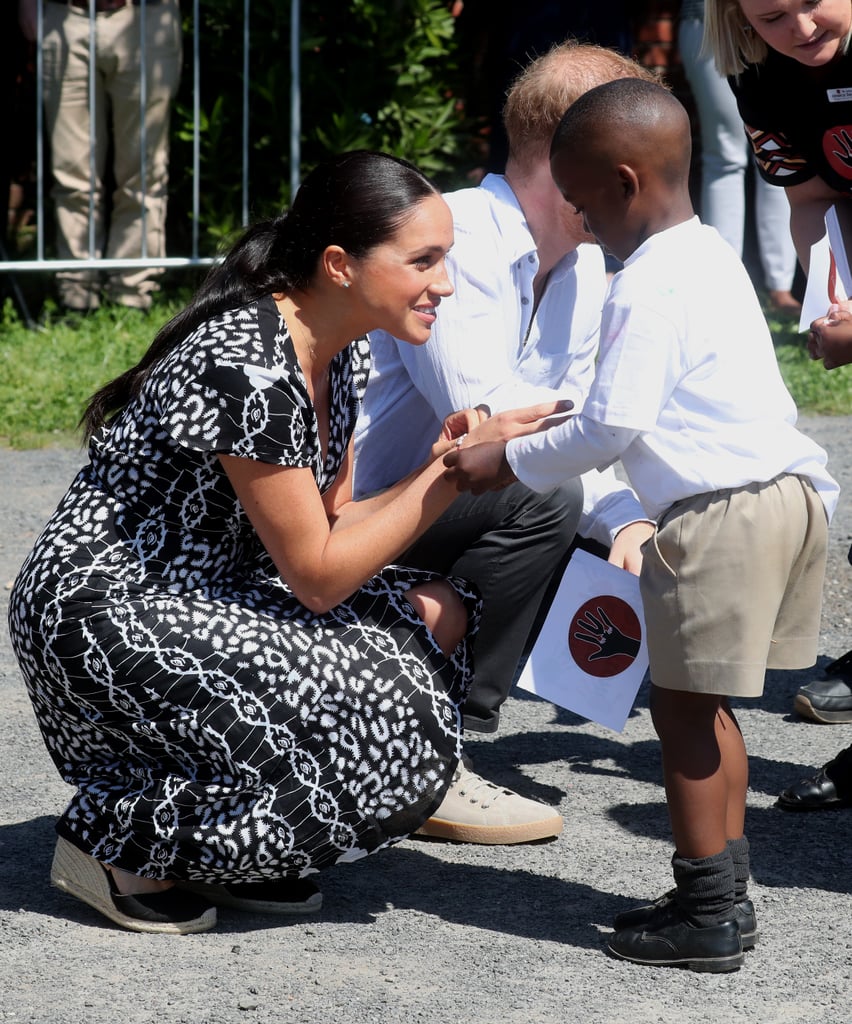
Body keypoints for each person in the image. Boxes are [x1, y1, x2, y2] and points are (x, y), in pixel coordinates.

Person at [6, 150, 562, 935]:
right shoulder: (250, 359)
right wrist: (445, 480)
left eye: (448, 259)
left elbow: (332, 529)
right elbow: (318, 579)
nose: (445, 283)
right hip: (106, 610)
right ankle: (115, 841)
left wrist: (442, 466)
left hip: (200, 594)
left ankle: (228, 848)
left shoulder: (337, 348)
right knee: (383, 691)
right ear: (340, 264)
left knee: (430, 616)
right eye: (424, 260)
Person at [442, 78, 839, 971]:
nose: (581, 224)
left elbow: (611, 426)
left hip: (717, 518)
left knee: (683, 721)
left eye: (583, 206)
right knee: (714, 711)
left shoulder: (645, 284)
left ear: (625, 184)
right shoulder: (710, 257)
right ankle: (722, 890)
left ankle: (707, 914)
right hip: (784, 498)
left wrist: (502, 459)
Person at [354, 40, 657, 846]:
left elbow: (588, 420)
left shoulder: (589, 265)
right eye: (639, 155)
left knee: (625, 514)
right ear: (576, 157)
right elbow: (486, 431)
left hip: (439, 510)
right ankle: (435, 749)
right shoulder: (449, 237)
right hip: (354, 514)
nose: (652, 184)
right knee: (549, 493)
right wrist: (618, 510)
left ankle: (427, 717)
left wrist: (636, 521)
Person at [704, 0, 852, 790]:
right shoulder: (758, 77)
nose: (798, 27)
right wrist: (833, 297)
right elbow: (813, 202)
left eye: (809, 1)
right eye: (770, 16)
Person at [18, 0, 182, 312]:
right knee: (71, 173)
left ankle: (133, 293)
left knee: (144, 173)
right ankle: (76, 296)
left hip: (145, 16)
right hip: (64, 15)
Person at [677, 0, 800, 315]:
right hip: (710, 21)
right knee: (726, 156)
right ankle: (725, 284)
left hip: (776, 20)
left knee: (780, 151)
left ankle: (781, 287)